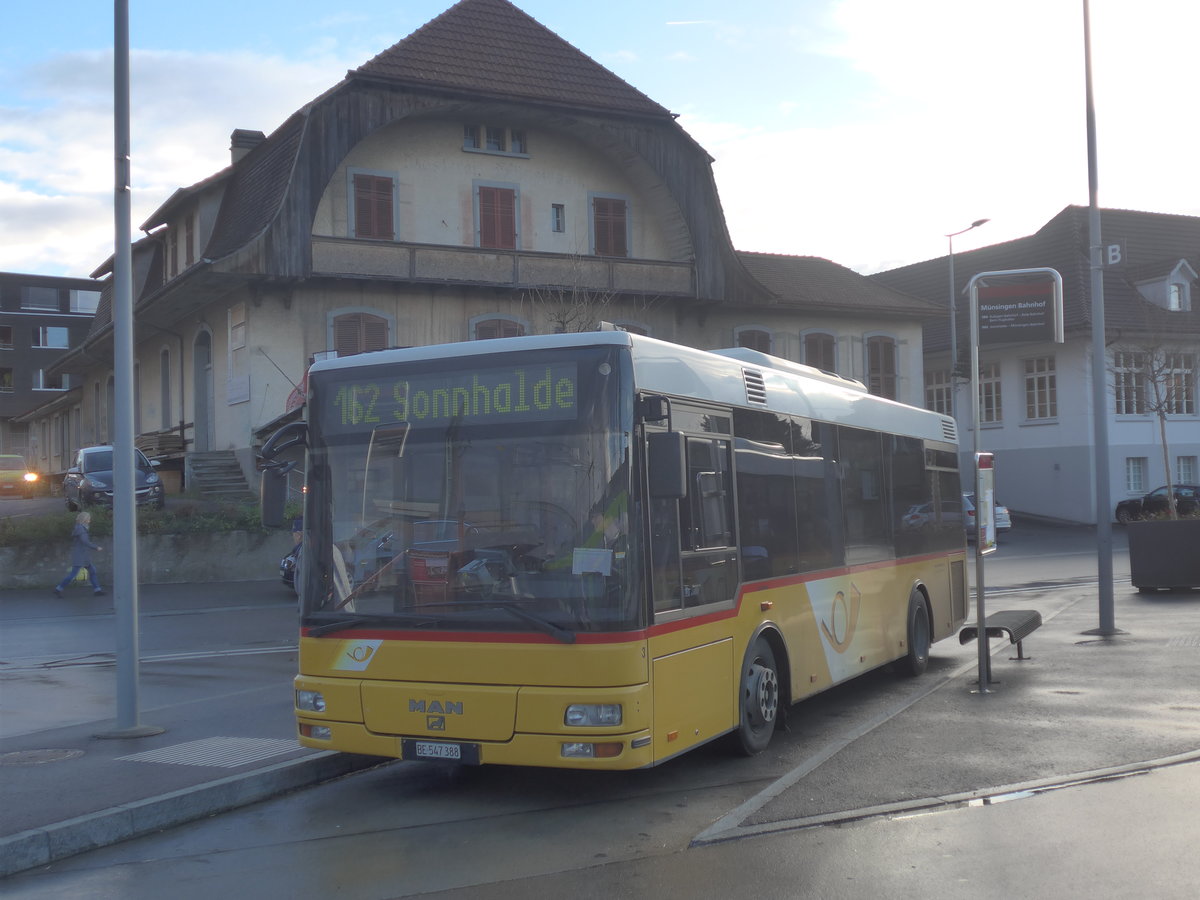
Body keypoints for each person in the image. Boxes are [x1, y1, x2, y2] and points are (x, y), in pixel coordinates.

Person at [53, 511, 105, 597]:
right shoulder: (81, 529)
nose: (89, 521)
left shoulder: (80, 528)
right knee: (73, 574)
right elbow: (84, 541)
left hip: (82, 555)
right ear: (84, 519)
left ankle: (97, 590)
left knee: (92, 571)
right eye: (88, 519)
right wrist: (96, 547)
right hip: (80, 555)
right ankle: (58, 589)